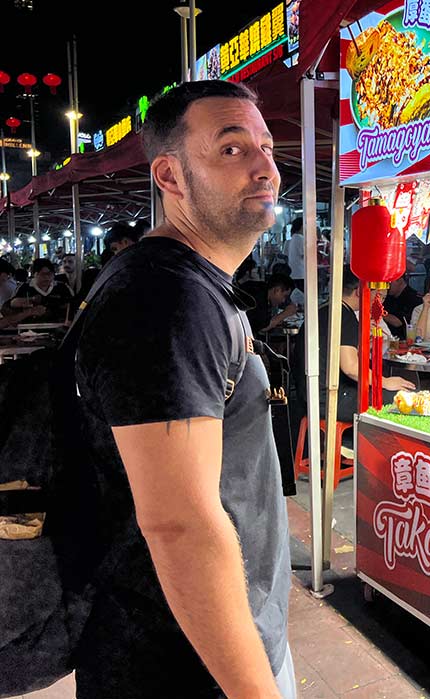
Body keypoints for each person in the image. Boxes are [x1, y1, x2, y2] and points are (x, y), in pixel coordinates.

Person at [68, 80, 294, 698]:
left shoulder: (189, 285)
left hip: (208, 646)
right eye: (231, 149)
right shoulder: (167, 300)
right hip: (186, 666)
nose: (264, 168)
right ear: (169, 175)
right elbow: (180, 526)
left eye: (266, 147)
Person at [318, 266, 414, 422]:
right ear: (359, 291)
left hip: (313, 394)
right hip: (333, 397)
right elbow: (350, 367)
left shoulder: (324, 310)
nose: (376, 297)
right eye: (373, 291)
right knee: (403, 397)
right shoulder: (345, 317)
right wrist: (385, 382)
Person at [3, 258, 74, 323]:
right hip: (28, 328)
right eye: (43, 274)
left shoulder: (62, 287)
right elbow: (10, 305)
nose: (47, 277)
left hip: (58, 327)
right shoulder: (24, 288)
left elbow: (73, 304)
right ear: (34, 274)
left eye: (50, 274)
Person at [382, 274, 423, 340]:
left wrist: (378, 313)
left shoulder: (413, 298)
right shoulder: (388, 297)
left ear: (400, 280)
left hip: (404, 339)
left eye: (389, 283)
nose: (387, 286)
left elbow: (398, 322)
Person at [284, 218, 305, 290]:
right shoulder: (300, 238)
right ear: (302, 226)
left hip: (294, 272)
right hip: (300, 273)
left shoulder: (294, 238)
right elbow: (304, 255)